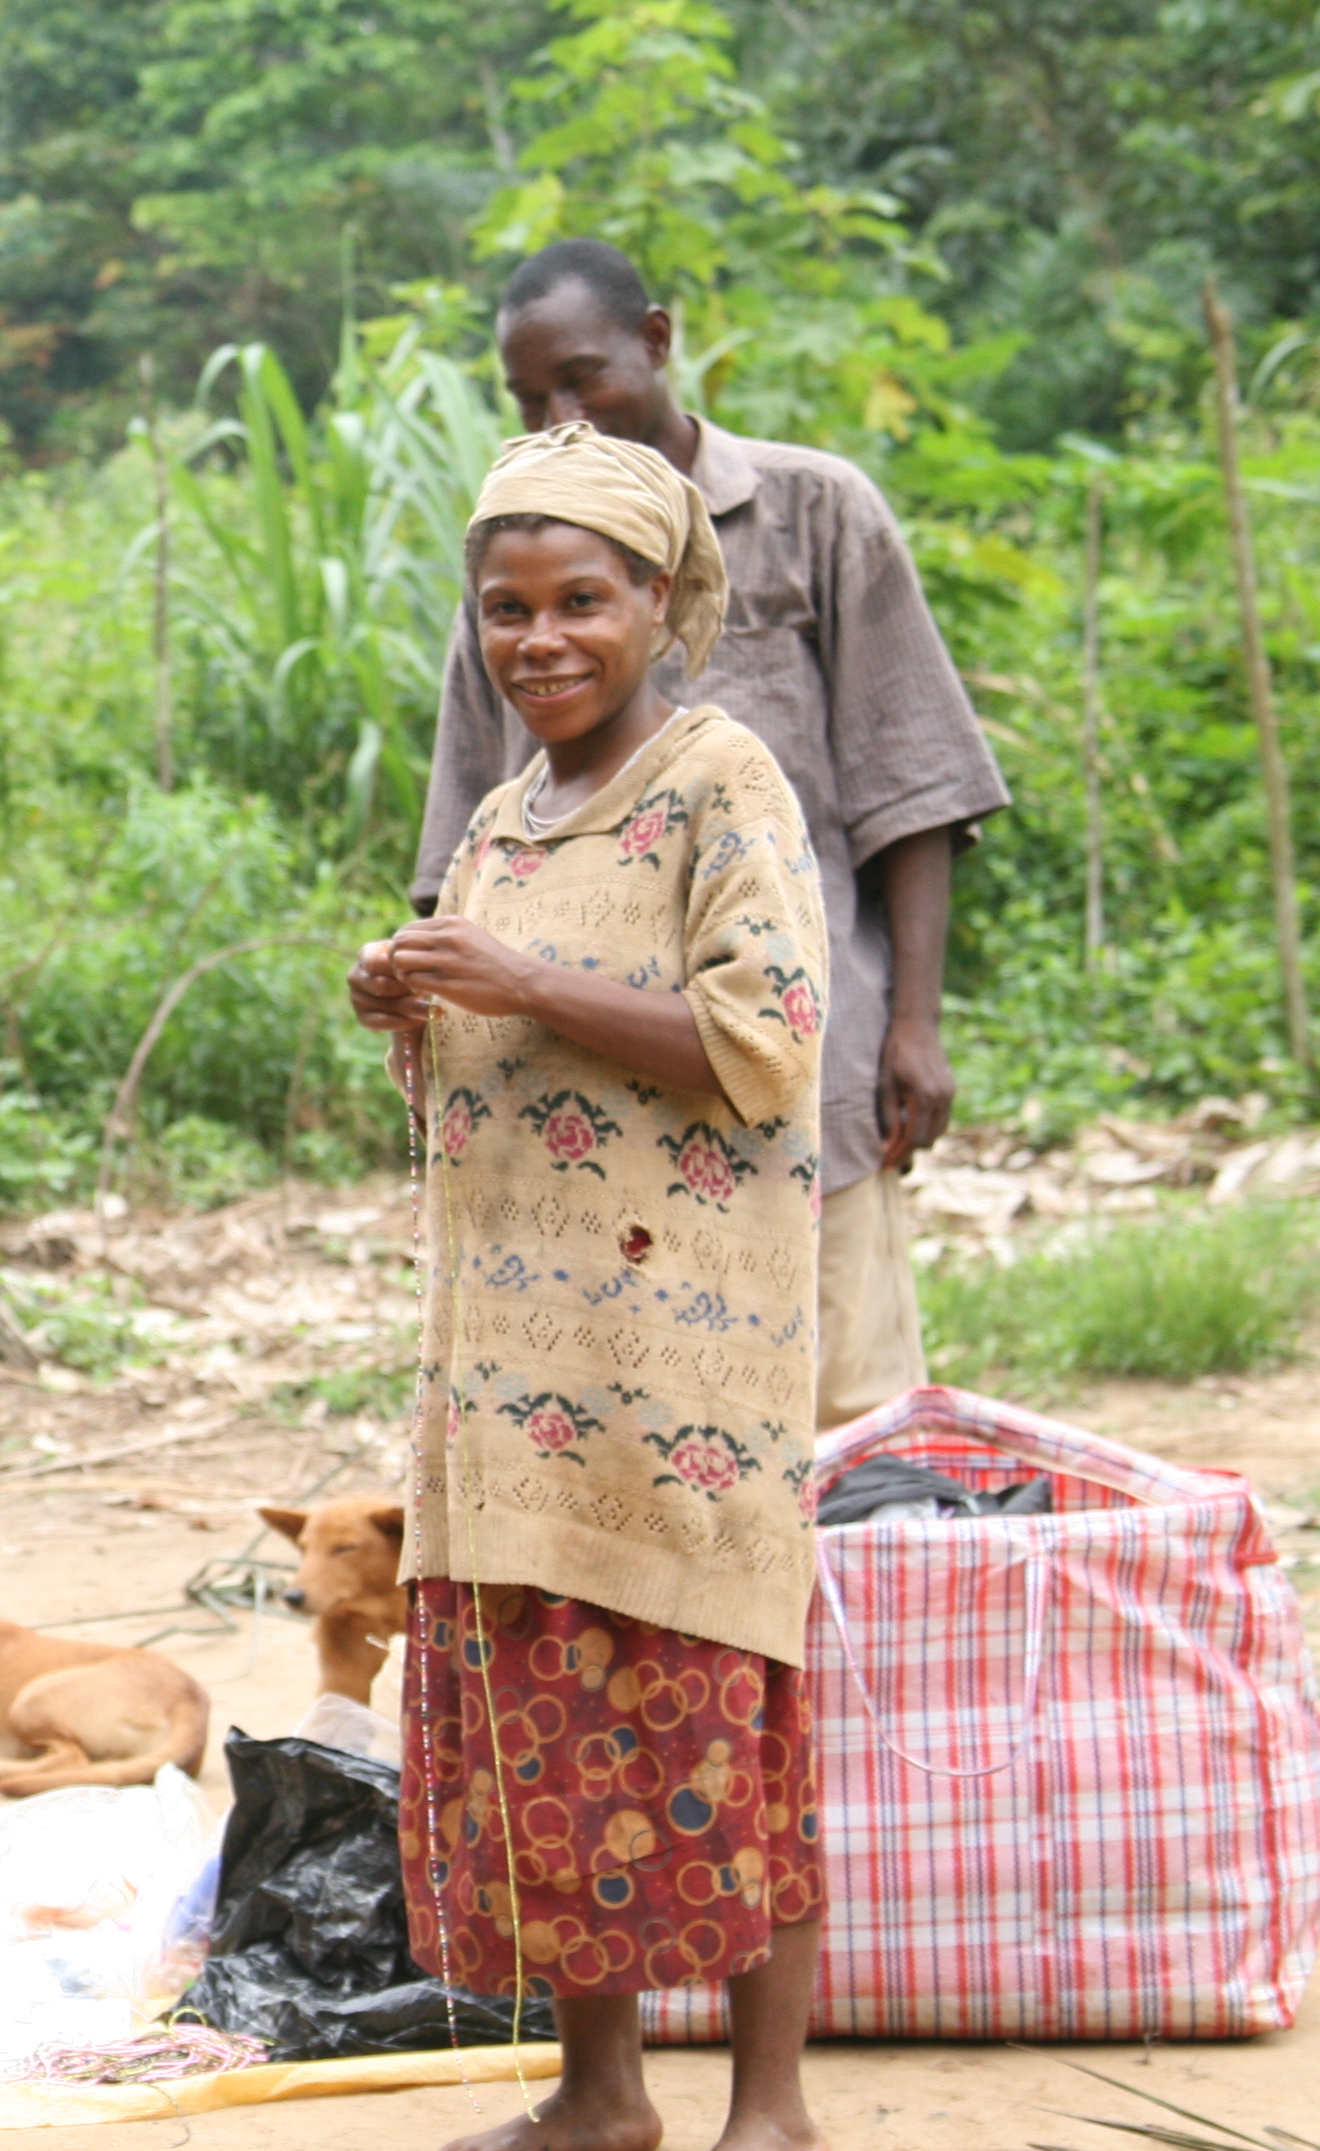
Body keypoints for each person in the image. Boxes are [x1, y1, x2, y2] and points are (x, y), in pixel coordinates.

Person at [351, 423, 834, 2151]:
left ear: (661, 601)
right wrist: (412, 990)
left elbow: (767, 1032)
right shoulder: (500, 814)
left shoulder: (722, 781)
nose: (538, 638)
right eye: (504, 607)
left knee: (714, 1708)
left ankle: (771, 2106)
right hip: (516, 1365)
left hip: (675, 1360)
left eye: (580, 601)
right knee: (544, 1713)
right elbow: (510, 1029)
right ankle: (594, 2086)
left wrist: (524, 982)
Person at [410, 238, 1008, 1436]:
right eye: (531, 399)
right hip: (587, 1123)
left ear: (659, 341)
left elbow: (913, 783)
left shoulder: (813, 511)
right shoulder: (521, 563)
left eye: (584, 379)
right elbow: (464, 852)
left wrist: (915, 1023)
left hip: (802, 1067)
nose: (564, 417)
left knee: (842, 1427)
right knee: (645, 1437)